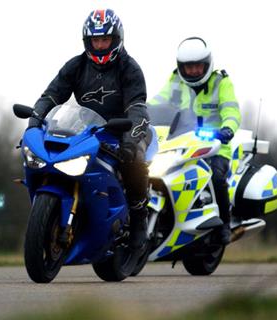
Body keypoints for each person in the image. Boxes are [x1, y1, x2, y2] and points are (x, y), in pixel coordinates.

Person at [27, 9, 150, 251]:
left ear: (116, 39)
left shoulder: (130, 68)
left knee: (133, 160)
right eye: (96, 40)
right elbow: (51, 95)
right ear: (88, 41)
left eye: (105, 40)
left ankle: (139, 218)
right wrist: (35, 118)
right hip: (87, 129)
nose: (101, 45)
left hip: (124, 130)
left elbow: (137, 107)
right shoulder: (75, 65)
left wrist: (130, 140)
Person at [148, 37, 241, 245]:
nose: (193, 71)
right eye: (188, 67)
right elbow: (159, 101)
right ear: (181, 67)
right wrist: (142, 114)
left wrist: (227, 128)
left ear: (207, 64)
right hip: (183, 143)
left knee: (216, 177)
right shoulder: (176, 80)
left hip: (216, 146)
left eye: (198, 66)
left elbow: (231, 110)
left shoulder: (221, 82)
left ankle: (224, 225)